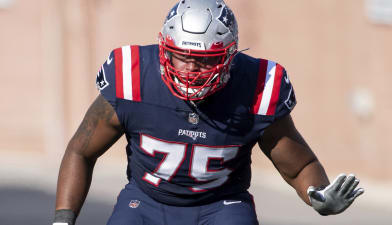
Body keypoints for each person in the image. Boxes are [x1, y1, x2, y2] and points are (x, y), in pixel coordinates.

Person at [53, 0, 364, 224]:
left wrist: (318, 195)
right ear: (164, 50)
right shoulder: (133, 76)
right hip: (145, 203)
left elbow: (297, 166)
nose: (190, 69)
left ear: (229, 55)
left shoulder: (257, 88)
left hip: (220, 207)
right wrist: (63, 220)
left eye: (204, 60)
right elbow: (81, 152)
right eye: (180, 57)